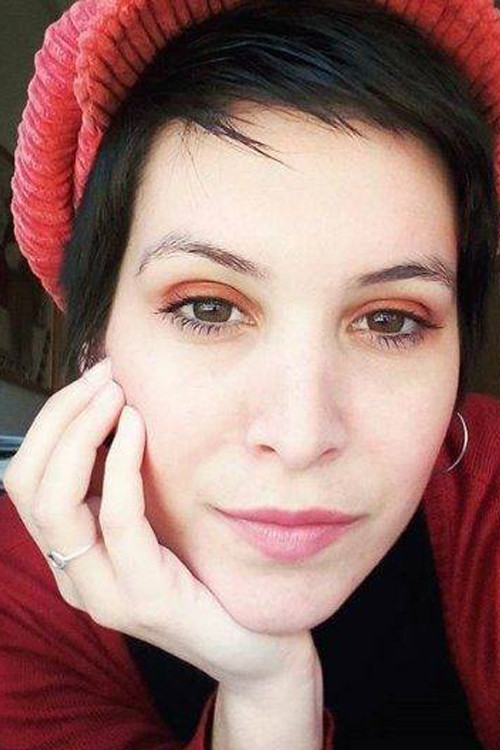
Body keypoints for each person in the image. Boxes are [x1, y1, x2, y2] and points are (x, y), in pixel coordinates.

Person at [1, 0, 500, 747]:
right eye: (208, 308)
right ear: (94, 346)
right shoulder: (13, 602)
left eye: (390, 321)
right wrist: (267, 695)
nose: (300, 438)